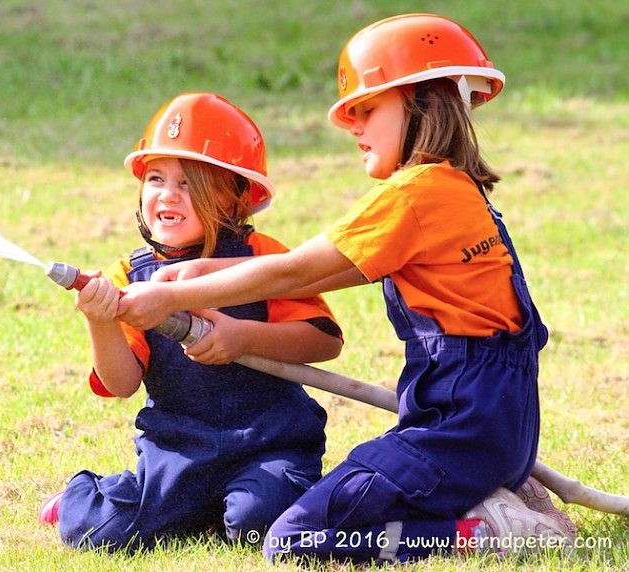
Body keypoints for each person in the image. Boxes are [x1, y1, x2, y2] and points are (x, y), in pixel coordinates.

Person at [118, 14, 577, 563]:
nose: (352, 127)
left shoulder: (415, 193)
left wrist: (171, 296)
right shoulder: (455, 190)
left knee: (294, 540)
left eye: (366, 110)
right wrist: (205, 274)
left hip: (458, 426)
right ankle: (491, 489)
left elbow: (297, 272)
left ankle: (481, 532)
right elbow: (331, 272)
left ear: (420, 103)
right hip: (494, 424)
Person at [39, 92, 344, 551]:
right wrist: (100, 322)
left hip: (269, 445)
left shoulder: (264, 260)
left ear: (237, 196)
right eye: (156, 178)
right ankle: (85, 498)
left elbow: (324, 340)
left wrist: (243, 336)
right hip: (180, 450)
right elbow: (120, 383)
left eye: (189, 183)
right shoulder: (132, 277)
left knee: (259, 522)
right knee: (98, 533)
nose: (167, 194)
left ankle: (228, 506)